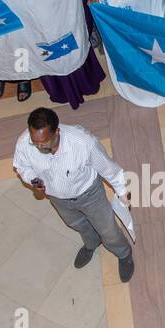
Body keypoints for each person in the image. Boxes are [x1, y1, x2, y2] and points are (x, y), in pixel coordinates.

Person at [12, 107, 135, 283]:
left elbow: (108, 168)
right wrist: (33, 180)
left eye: (44, 142)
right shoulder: (25, 142)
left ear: (57, 132)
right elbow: (22, 166)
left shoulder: (83, 143)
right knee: (77, 224)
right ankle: (92, 243)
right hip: (57, 198)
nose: (39, 146)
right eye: (35, 142)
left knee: (107, 228)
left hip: (89, 194)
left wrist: (121, 192)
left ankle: (124, 253)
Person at [0, 0, 104, 108]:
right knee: (51, 60)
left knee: (73, 55)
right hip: (39, 34)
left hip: (63, 25)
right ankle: (62, 92)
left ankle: (86, 83)